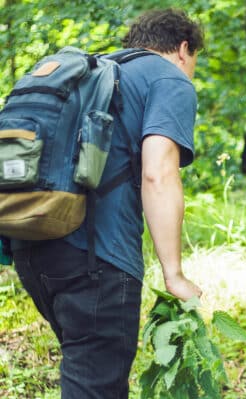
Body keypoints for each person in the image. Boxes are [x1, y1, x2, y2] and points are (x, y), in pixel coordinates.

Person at [11, 8, 203, 398]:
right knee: (94, 383)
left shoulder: (93, 72)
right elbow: (159, 173)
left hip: (31, 247)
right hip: (97, 259)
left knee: (86, 373)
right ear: (184, 49)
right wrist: (174, 276)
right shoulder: (170, 79)